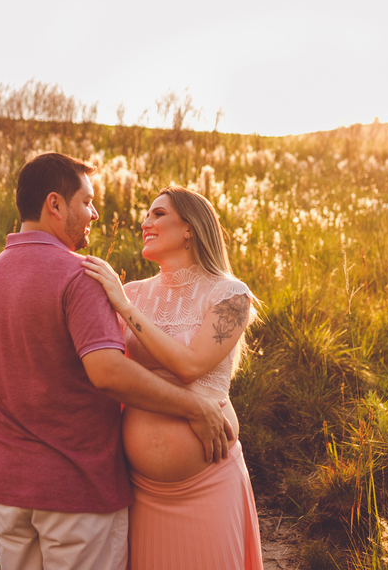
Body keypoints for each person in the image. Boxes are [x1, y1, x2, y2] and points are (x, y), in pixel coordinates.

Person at [0, 154, 234, 570]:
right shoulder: (81, 275)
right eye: (87, 202)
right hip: (76, 490)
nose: (94, 213)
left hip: (7, 488)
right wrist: (194, 407)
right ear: (55, 205)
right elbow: (109, 372)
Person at [82, 185, 263, 570]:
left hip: (208, 488)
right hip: (141, 492)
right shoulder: (132, 293)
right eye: (146, 215)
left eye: (158, 214)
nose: (145, 222)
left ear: (190, 228)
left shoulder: (231, 295)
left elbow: (190, 365)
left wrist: (124, 307)